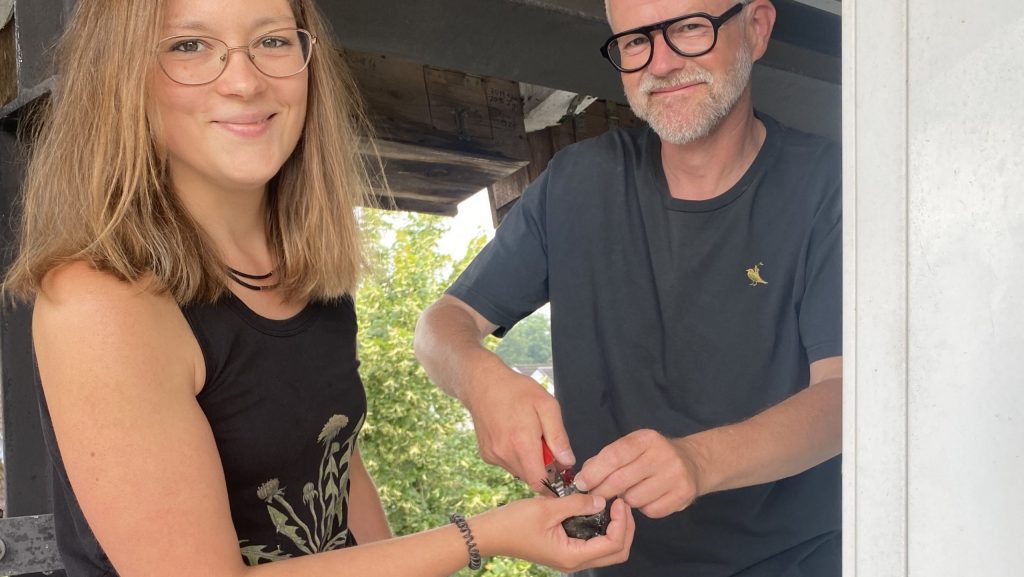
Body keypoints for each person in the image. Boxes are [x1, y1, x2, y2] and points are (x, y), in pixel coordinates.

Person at [0, 0, 636, 575]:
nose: (245, 80)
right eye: (188, 45)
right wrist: (481, 536)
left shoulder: (309, 277)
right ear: (124, 77)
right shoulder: (101, 302)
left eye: (273, 41)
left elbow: (334, 468)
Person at [414, 0, 842, 575]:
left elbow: (846, 399)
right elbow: (442, 325)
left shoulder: (830, 185)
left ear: (757, 29)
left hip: (796, 560)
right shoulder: (575, 182)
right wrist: (479, 378)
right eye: (636, 41)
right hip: (610, 562)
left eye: (690, 28)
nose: (660, 63)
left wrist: (697, 460)